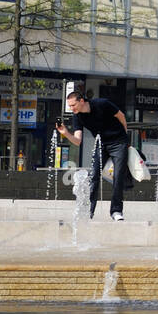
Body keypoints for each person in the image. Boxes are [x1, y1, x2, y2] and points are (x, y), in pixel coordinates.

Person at [55, 85, 131, 221]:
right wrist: (65, 133)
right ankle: (88, 212)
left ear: (82, 101)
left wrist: (125, 137)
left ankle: (116, 211)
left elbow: (121, 116)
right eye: (70, 106)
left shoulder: (102, 104)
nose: (72, 109)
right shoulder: (77, 116)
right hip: (101, 144)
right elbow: (78, 141)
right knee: (93, 176)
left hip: (118, 142)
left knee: (118, 176)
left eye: (73, 105)